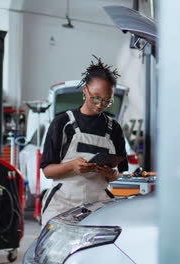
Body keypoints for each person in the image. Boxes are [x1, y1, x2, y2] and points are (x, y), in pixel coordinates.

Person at [40, 57, 129, 227]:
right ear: (84, 90)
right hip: (63, 204)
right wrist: (72, 166)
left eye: (106, 101)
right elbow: (48, 171)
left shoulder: (114, 128)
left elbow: (119, 173)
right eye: (95, 98)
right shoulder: (62, 123)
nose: (99, 105)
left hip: (99, 205)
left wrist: (111, 174)